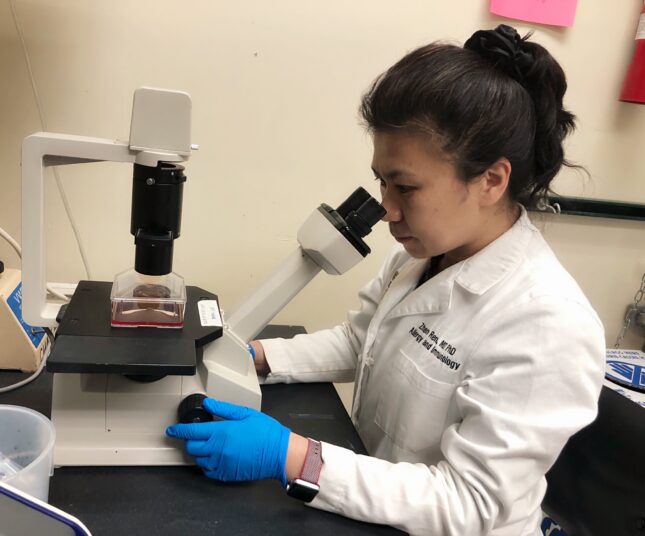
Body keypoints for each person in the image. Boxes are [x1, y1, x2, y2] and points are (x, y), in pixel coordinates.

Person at [166, 25, 605, 536]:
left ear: (491, 180)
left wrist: (293, 457)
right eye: (382, 180)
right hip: (375, 499)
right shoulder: (424, 255)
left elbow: (468, 504)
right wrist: (256, 357)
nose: (386, 209)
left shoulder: (548, 324)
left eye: (406, 186)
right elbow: (361, 340)